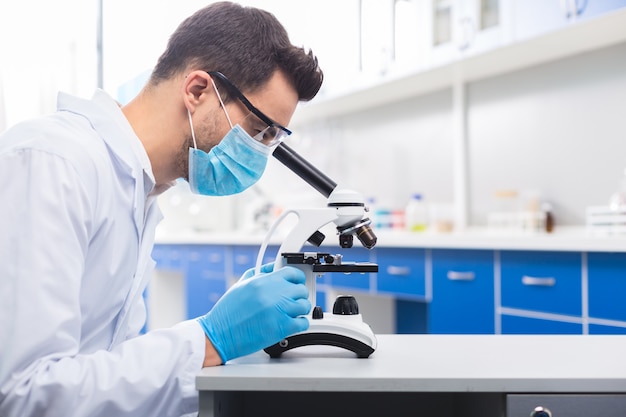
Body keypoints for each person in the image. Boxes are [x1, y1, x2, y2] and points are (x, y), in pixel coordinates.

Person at [0, 2, 323, 416]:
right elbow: (25, 394)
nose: (259, 154)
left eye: (270, 139)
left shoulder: (138, 194)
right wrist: (210, 339)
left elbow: (104, 370)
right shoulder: (53, 164)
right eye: (259, 130)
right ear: (197, 90)